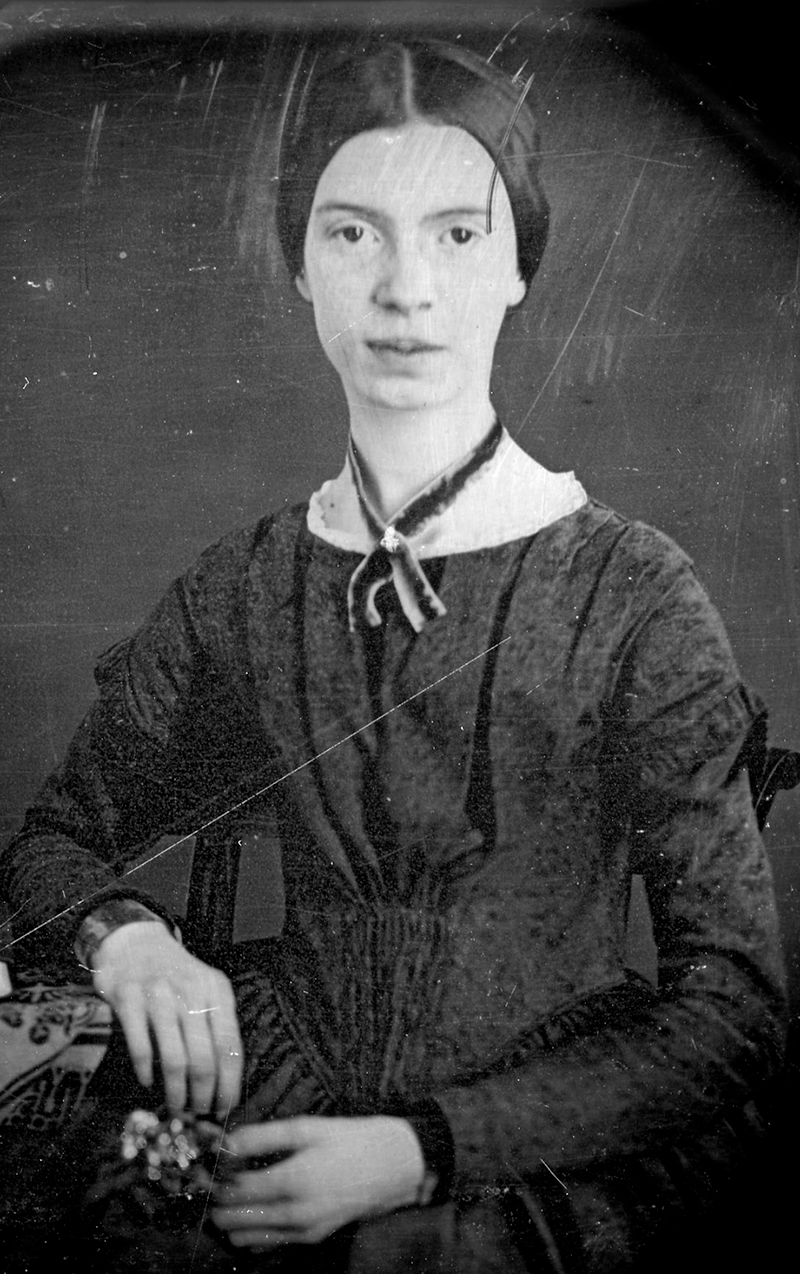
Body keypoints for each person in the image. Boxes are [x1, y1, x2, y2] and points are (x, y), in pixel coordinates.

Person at [0, 37, 787, 1273]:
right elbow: (47, 846)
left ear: (519, 267)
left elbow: (736, 1009)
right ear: (300, 267)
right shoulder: (243, 582)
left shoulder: (634, 589)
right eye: (353, 233)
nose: (404, 287)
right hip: (281, 1082)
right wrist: (127, 936)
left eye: (457, 236)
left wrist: (420, 1147)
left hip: (539, 1143)